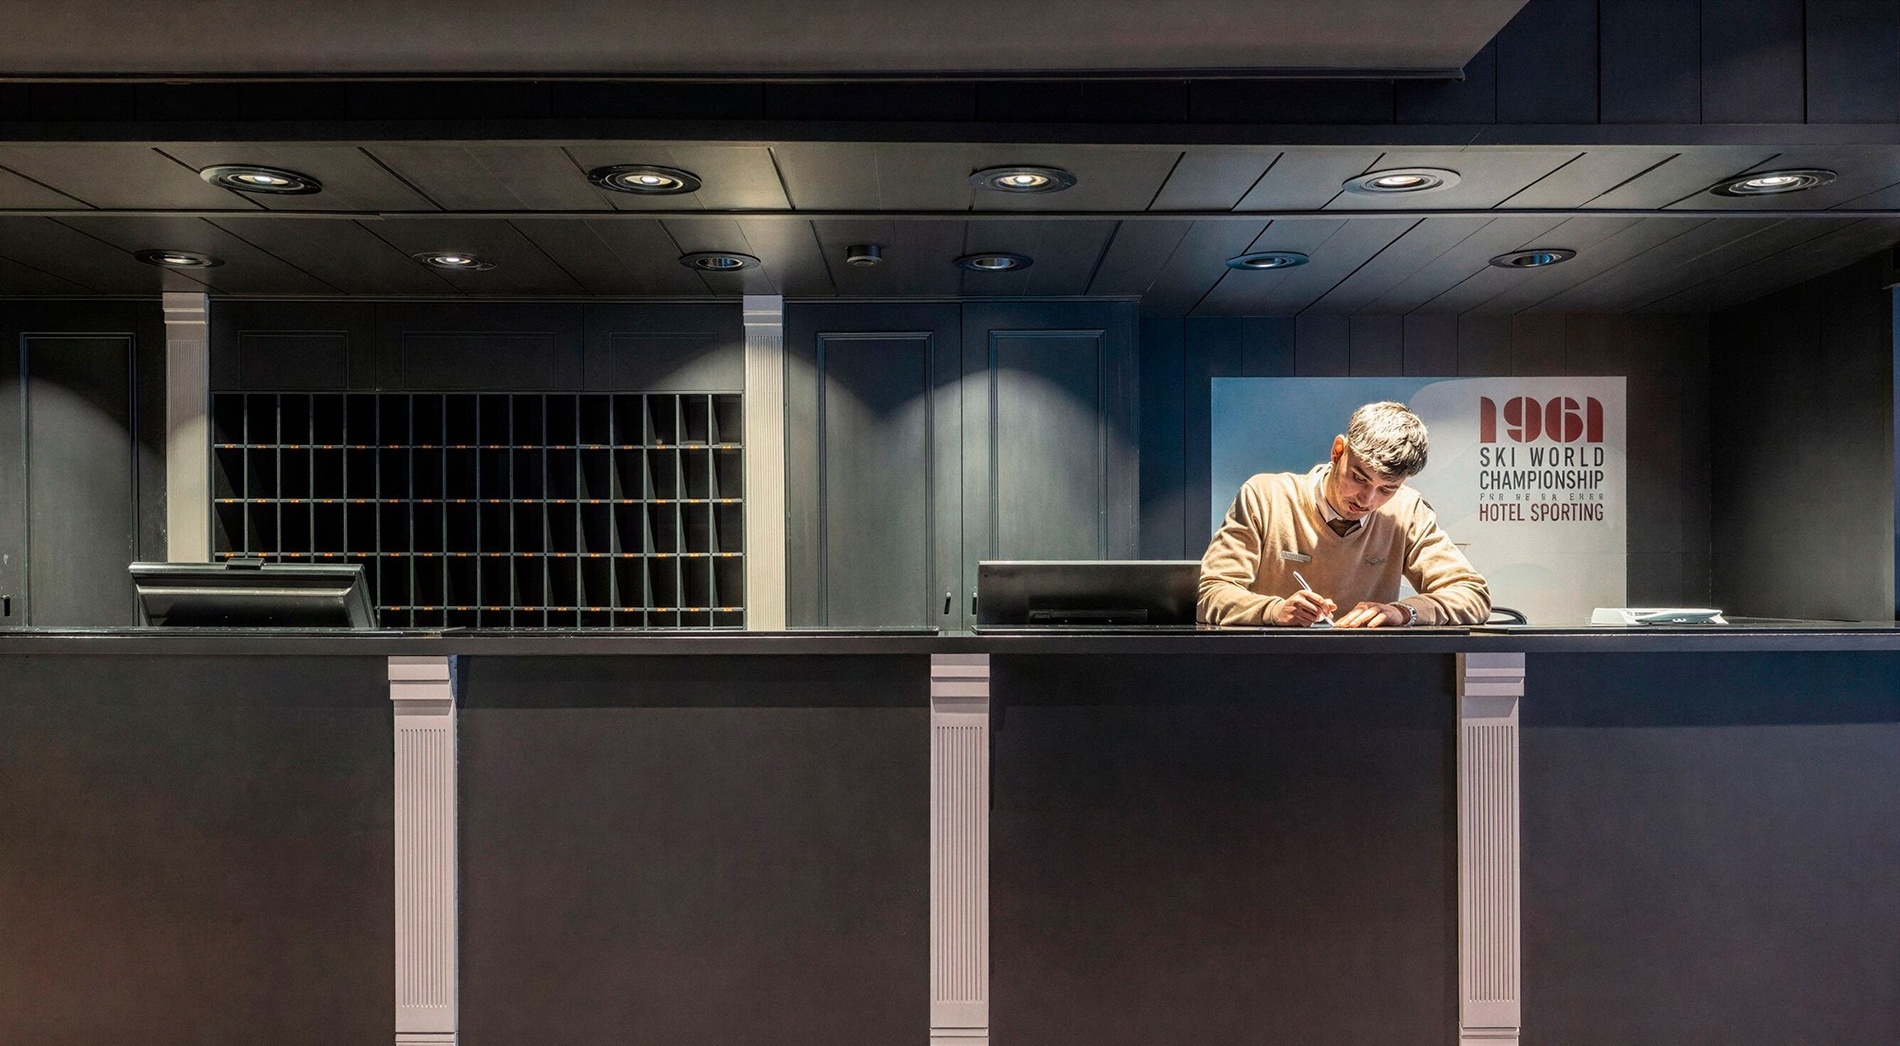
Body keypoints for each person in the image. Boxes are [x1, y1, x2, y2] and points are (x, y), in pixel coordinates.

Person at [1198, 400, 1490, 628]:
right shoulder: (1265, 497)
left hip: (1365, 676)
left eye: (1386, 489)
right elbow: (1211, 594)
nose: (1367, 500)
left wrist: (1404, 613)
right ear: (1338, 451)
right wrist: (1274, 611)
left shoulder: (1407, 511)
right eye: (1359, 478)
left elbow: (1473, 596)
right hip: (1266, 670)